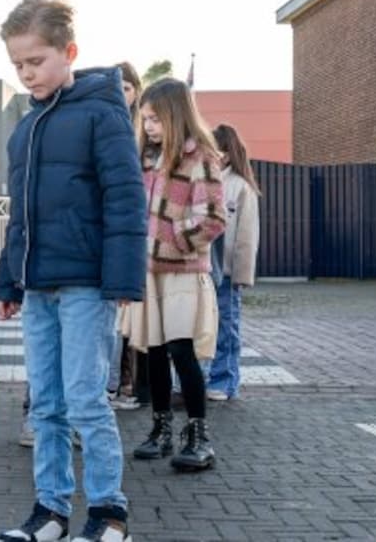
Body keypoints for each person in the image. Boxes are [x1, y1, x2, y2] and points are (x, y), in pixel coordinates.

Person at [0, 0, 145, 542]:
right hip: (37, 289)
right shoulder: (25, 129)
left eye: (35, 61)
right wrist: (7, 280)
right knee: (47, 405)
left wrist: (124, 278)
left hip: (86, 284)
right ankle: (50, 512)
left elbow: (125, 199)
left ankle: (108, 513)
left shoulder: (102, 113)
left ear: (69, 52)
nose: (26, 73)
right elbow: (21, 216)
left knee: (85, 399)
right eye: (17, 65)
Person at [125, 78, 226, 472]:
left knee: (182, 351)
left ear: (175, 115)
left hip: (183, 271)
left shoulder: (200, 157)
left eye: (155, 119)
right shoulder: (144, 160)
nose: (148, 126)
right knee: (153, 352)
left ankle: (199, 436)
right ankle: (161, 429)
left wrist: (172, 245)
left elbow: (213, 219)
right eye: (145, 119)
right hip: (148, 273)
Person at [205, 124, 261, 402]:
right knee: (206, 328)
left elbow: (246, 236)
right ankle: (209, 377)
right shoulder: (203, 180)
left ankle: (224, 381)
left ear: (226, 153)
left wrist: (241, 274)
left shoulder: (240, 186)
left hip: (225, 271)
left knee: (226, 327)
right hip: (204, 270)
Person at [108, 61, 144, 412]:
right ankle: (113, 383)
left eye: (128, 87)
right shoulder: (105, 125)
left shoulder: (142, 133)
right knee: (116, 321)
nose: (122, 94)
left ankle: (131, 385)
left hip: (141, 233)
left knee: (135, 321)